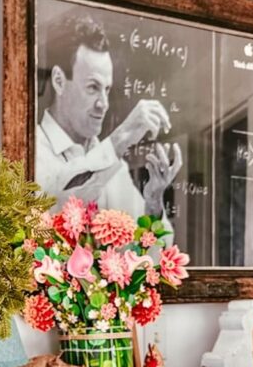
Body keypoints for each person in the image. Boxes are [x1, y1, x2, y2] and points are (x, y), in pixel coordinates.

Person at [36, 14, 182, 217]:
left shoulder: (116, 168)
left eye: (107, 89)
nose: (103, 104)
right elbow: (56, 207)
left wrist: (154, 200)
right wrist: (121, 137)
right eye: (93, 87)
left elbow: (152, 246)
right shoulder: (29, 150)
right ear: (59, 81)